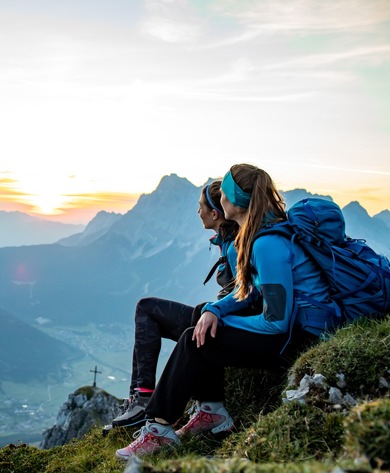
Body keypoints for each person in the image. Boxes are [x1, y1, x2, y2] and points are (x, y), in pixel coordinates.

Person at [116, 163, 338, 460]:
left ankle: (158, 430)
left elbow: (276, 322)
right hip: (294, 329)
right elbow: (254, 291)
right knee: (205, 327)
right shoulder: (257, 234)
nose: (218, 196)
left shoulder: (268, 244)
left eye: (224, 192)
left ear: (232, 202)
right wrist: (216, 310)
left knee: (195, 340)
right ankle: (211, 412)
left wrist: (222, 323)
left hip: (302, 338)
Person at [109, 180, 239, 429]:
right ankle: (140, 395)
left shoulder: (234, 246)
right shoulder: (227, 239)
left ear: (214, 213)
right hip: (222, 318)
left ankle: (143, 397)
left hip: (225, 322)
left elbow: (246, 294)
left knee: (146, 308)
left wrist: (213, 309)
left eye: (200, 206)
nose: (197, 211)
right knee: (146, 309)